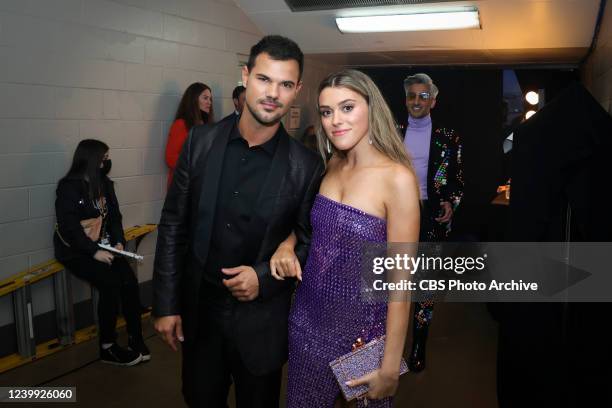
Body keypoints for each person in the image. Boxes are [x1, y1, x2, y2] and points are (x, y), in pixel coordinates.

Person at [152, 35, 323, 408]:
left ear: (298, 90)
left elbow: (309, 241)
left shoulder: (305, 167)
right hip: (201, 318)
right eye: (264, 79)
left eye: (285, 84)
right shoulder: (199, 142)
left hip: (261, 327)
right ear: (245, 76)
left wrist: (263, 277)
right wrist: (165, 305)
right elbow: (173, 225)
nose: (273, 93)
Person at [270, 69, 420, 407]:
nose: (335, 120)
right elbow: (315, 226)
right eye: (326, 111)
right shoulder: (331, 164)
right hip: (308, 322)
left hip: (362, 335)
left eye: (347, 107)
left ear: (372, 108)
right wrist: (288, 243)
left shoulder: (397, 178)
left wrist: (390, 366)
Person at [54, 139, 149, 366]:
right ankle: (108, 346)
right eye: (104, 159)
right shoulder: (68, 187)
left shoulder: (105, 184)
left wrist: (118, 242)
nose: (107, 163)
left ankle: (136, 337)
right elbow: (69, 228)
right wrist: (93, 252)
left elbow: (115, 217)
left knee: (128, 282)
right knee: (110, 283)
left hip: (104, 246)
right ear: (90, 160)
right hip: (76, 251)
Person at [402, 73, 463, 372]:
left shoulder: (448, 137)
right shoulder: (391, 132)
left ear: (433, 101)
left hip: (431, 216)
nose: (417, 101)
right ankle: (386, 344)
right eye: (412, 96)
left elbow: (458, 180)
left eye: (423, 96)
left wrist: (451, 202)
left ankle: (418, 345)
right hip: (396, 213)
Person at [165, 82, 214, 187]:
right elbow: (171, 158)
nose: (209, 102)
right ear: (194, 100)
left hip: (201, 185)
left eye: (210, 99)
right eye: (205, 98)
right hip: (183, 186)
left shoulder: (208, 126)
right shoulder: (181, 124)